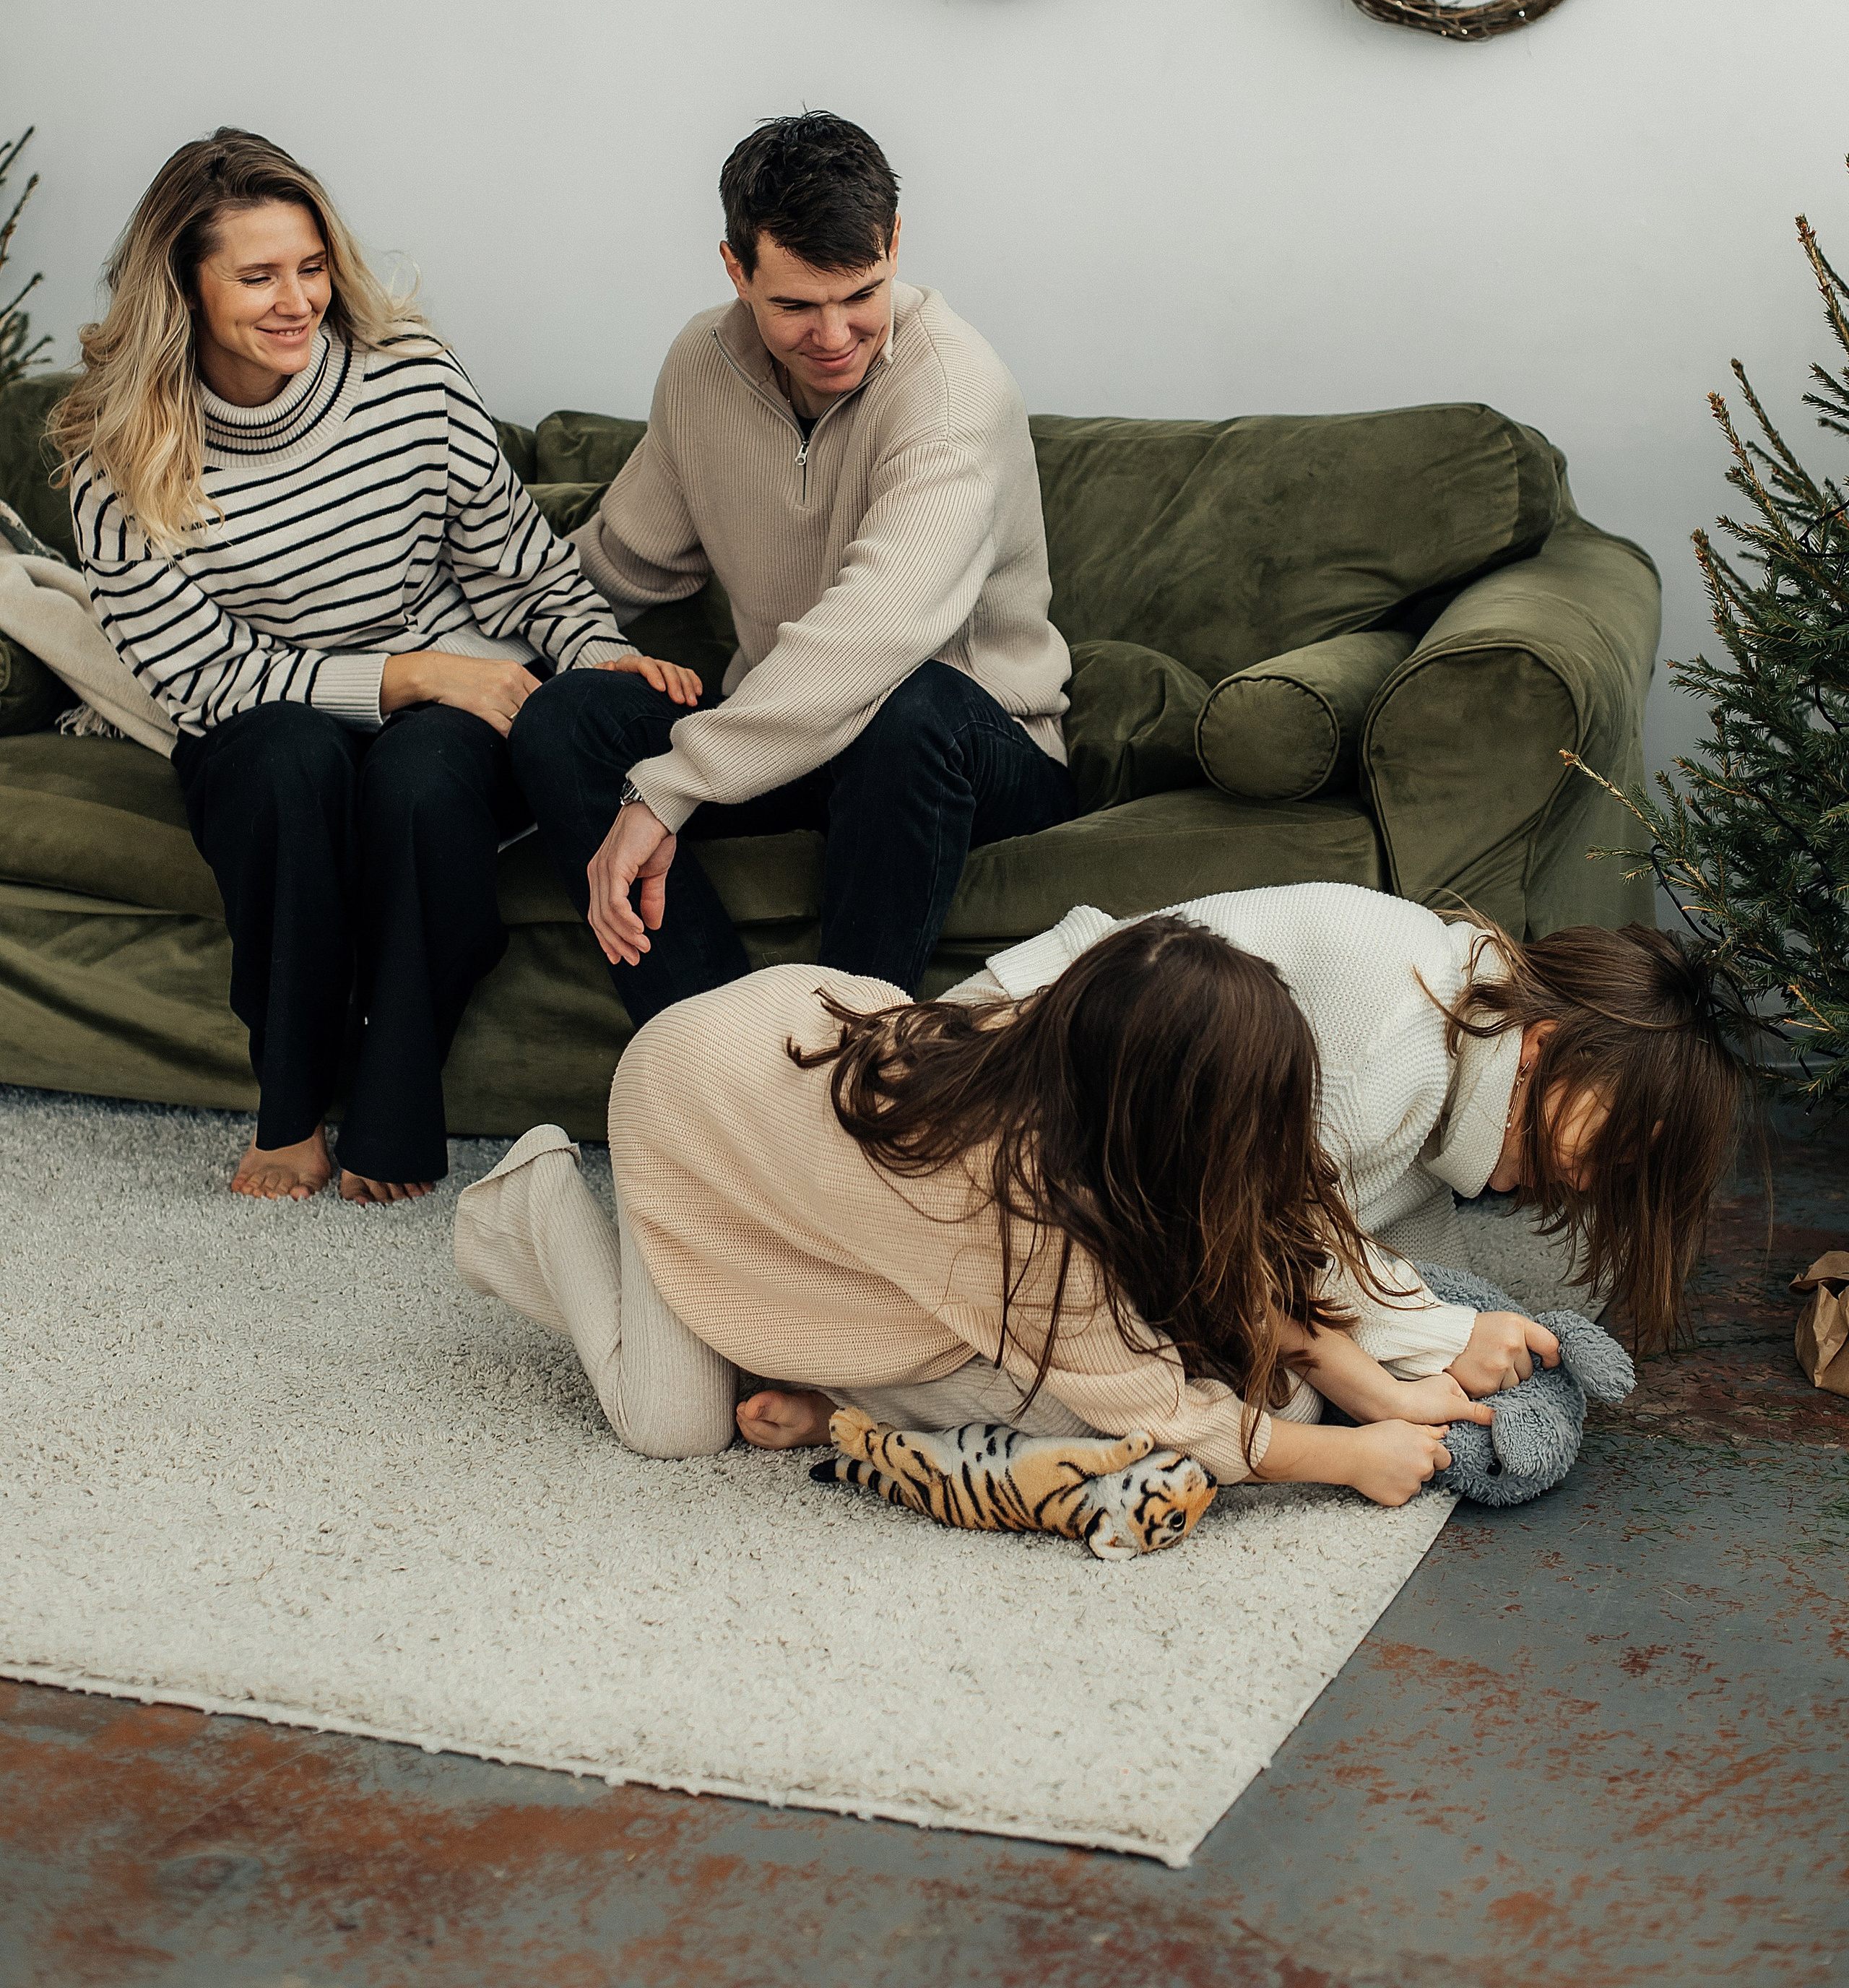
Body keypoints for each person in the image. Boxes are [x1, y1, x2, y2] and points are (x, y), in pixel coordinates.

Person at [52, 131, 701, 1207]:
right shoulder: (116, 448)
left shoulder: (407, 377)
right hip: (269, 717)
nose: (296, 299)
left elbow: (517, 570)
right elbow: (197, 676)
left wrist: (600, 660)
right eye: (257, 275)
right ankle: (290, 1110)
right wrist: (411, 675)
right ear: (182, 288)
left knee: (415, 782)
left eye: (310, 267)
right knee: (288, 768)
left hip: (452, 703)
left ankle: (395, 1116)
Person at [455, 918, 1523, 1507]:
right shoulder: (1005, 1214)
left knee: (1235, 1387)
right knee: (673, 1428)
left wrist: (1366, 1376)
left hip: (785, 1075)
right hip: (690, 1115)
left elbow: (1227, 1246)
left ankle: (809, 1342)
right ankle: (534, 1200)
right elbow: (1160, 1409)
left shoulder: (1079, 1079)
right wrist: (1348, 1456)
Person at [507, 112, 1073, 1024]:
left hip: (972, 743)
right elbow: (622, 559)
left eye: (862, 294)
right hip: (790, 739)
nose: (836, 334)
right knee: (565, 718)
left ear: (895, 244)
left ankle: (839, 1070)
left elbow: (872, 636)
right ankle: (716, 1058)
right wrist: (446, 635)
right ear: (736, 269)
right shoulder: (702, 365)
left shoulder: (954, 391)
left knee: (912, 703)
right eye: (795, 307)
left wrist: (671, 785)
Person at [948, 885, 1750, 1352]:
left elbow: (1395, 1272)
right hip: (998, 1085)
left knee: (1320, 1364)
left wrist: (1455, 1330)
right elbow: (1267, 1244)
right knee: (1232, 1372)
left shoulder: (1449, 1088)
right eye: (1607, 1147)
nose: (1583, 1179)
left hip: (1097, 1145)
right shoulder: (1397, 1035)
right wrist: (1441, 1341)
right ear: (1545, 1046)